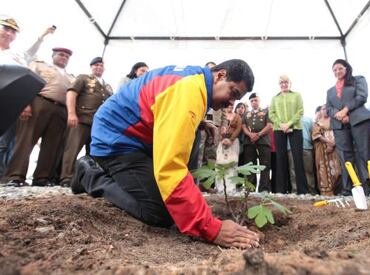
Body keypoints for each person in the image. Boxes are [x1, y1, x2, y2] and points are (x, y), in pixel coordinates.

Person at [70, 59, 259, 249]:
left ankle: (173, 191)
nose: (231, 102)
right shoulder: (188, 91)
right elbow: (170, 167)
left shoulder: (197, 80)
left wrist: (199, 123)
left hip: (137, 136)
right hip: (116, 140)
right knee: (160, 213)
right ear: (220, 75)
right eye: (233, 93)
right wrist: (210, 227)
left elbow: (161, 105)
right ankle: (90, 174)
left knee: (187, 148)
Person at [4, 47, 74, 187]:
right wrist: (25, 104)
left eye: (67, 56)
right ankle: (15, 176)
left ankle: (42, 177)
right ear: (53, 55)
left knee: (51, 145)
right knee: (26, 140)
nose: (64, 57)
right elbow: (27, 83)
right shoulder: (39, 65)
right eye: (61, 54)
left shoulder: (70, 76)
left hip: (60, 109)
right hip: (38, 103)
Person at [0, 16, 54, 182]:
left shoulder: (17, 54)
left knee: (7, 142)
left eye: (12, 31)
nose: (9, 33)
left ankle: (2, 176)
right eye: (5, 29)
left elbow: (31, 51)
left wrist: (42, 36)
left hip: (10, 101)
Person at [59, 57, 113, 187]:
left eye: (101, 65)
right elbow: (71, 94)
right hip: (81, 120)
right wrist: (72, 113)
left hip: (98, 124)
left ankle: (89, 179)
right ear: (91, 67)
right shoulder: (83, 78)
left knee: (94, 153)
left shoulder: (107, 86)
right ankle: (67, 177)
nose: (98, 67)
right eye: (95, 65)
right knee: (72, 149)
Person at [326, 59, 370, 196]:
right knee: (345, 157)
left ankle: (369, 188)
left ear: (346, 68)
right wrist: (338, 115)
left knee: (364, 154)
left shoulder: (358, 80)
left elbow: (362, 97)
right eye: (334, 70)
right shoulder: (330, 91)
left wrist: (346, 110)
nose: (337, 71)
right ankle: (348, 189)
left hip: (359, 121)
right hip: (340, 125)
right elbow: (328, 108)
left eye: (340, 68)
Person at [269, 75, 308, 194]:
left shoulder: (297, 95)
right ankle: (281, 190)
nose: (284, 84)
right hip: (279, 128)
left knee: (297, 158)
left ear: (290, 83)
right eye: (281, 83)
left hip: (295, 128)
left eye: (286, 82)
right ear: (279, 84)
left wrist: (289, 123)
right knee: (280, 158)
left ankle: (302, 190)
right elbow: (271, 113)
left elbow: (300, 111)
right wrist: (281, 124)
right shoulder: (275, 98)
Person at [242, 93, 272, 192]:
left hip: (263, 142)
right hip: (249, 142)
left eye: (256, 100)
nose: (254, 102)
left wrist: (258, 135)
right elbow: (244, 126)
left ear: (259, 101)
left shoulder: (266, 111)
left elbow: (269, 126)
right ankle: (250, 188)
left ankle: (264, 189)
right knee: (250, 165)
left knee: (264, 165)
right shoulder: (246, 114)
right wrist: (250, 135)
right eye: (252, 101)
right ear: (250, 102)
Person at [312, 104, 342, 195]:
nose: (325, 110)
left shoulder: (335, 121)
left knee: (338, 170)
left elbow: (340, 132)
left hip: (336, 149)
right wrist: (328, 142)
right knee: (323, 169)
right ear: (320, 111)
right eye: (323, 109)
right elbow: (316, 135)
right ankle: (327, 192)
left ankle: (339, 190)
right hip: (322, 150)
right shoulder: (316, 123)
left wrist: (333, 144)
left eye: (327, 109)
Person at [215, 102, 242, 194]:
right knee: (219, 164)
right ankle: (220, 188)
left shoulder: (237, 116)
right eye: (229, 105)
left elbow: (238, 128)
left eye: (232, 105)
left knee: (232, 164)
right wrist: (222, 139)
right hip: (220, 142)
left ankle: (231, 188)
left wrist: (231, 139)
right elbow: (218, 127)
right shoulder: (220, 115)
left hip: (233, 142)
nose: (231, 106)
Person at [288, 116, 316, 194]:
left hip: (306, 147)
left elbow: (312, 133)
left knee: (308, 170)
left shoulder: (308, 119)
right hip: (291, 147)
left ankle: (310, 190)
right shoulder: (288, 119)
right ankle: (295, 190)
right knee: (293, 169)